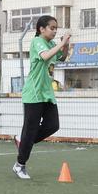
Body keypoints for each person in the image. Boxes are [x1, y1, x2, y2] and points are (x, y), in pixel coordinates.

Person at [14, 16, 72, 180]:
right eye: (52, 28)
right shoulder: (37, 42)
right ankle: (20, 165)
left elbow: (61, 57)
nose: (55, 31)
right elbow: (46, 56)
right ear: (41, 29)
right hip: (34, 93)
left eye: (56, 28)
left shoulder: (52, 44)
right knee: (31, 129)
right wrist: (62, 43)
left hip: (47, 94)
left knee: (53, 125)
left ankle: (22, 139)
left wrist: (65, 45)